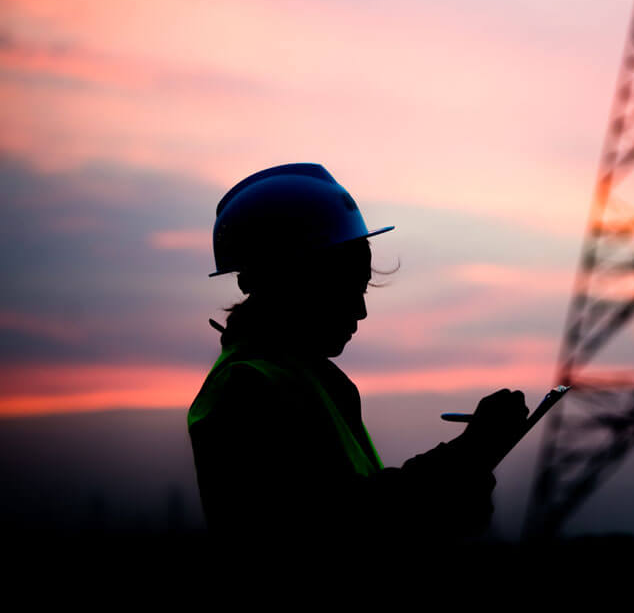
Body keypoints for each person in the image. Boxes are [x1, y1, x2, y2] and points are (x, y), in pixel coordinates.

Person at [187, 163, 529, 544]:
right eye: (349, 289)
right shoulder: (249, 389)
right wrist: (470, 455)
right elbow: (347, 525)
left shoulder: (302, 380)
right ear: (297, 282)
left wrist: (468, 470)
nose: (361, 310)